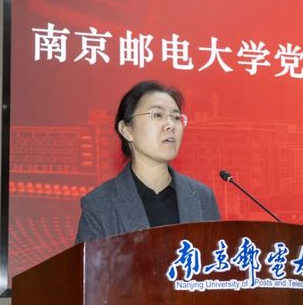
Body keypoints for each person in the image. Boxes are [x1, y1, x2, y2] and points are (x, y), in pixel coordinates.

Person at [75, 80, 220, 243]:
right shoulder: (99, 204)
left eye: (176, 117)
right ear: (127, 130)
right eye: (157, 115)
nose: (171, 125)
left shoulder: (202, 197)